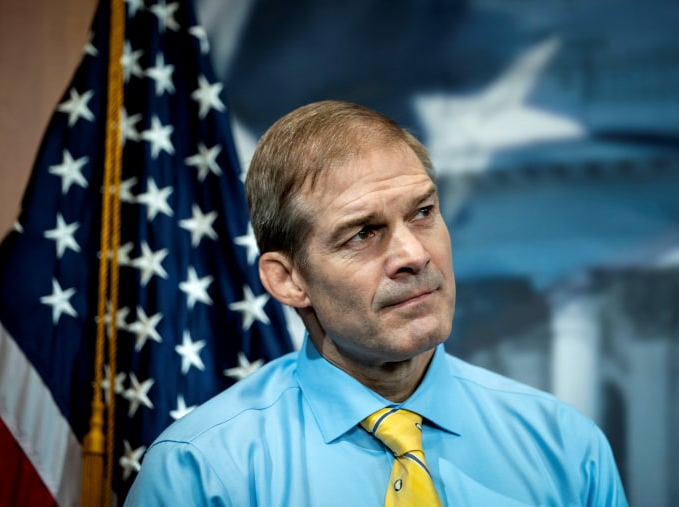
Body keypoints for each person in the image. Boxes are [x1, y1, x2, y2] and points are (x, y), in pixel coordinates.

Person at [125, 100, 628, 506]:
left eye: (424, 212)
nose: (413, 254)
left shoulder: (566, 448)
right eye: (363, 234)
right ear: (288, 280)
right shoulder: (201, 471)